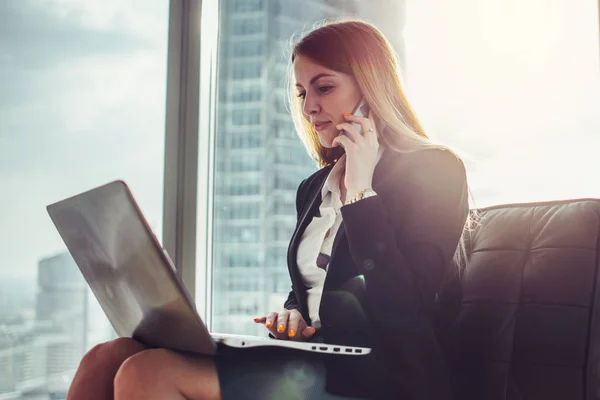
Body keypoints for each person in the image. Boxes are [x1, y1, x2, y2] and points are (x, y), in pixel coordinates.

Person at [66, 18, 469, 400]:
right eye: (301, 93)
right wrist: (294, 316)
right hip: (314, 360)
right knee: (107, 358)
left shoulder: (434, 169)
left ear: (372, 86)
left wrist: (361, 192)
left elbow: (406, 309)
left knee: (148, 372)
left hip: (387, 374)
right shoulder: (314, 187)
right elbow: (311, 290)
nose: (309, 107)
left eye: (324, 87)